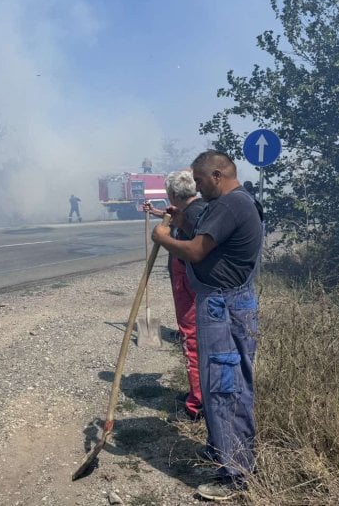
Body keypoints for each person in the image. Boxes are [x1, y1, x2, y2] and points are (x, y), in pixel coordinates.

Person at [151, 150, 264, 501]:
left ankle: (236, 474)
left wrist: (162, 237)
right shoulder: (234, 203)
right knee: (220, 383)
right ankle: (222, 450)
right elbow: (207, 238)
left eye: (199, 181)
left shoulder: (232, 204)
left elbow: (198, 251)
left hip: (224, 305)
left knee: (225, 386)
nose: (197, 188)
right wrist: (179, 221)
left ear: (216, 175)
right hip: (222, 302)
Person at [144, 171, 207, 421]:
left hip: (187, 283)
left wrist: (164, 237)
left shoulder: (193, 216)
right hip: (197, 285)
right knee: (199, 338)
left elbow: (190, 245)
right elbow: (184, 223)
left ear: (171, 194)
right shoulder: (200, 209)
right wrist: (162, 216)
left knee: (190, 338)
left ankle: (197, 404)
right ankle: (200, 394)